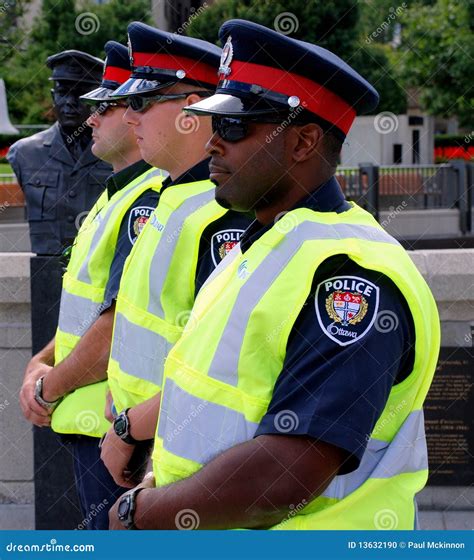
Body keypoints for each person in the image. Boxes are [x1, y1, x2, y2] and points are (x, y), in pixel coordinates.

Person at [109, 19, 440, 531]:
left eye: (236, 127)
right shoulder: (263, 242)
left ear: (303, 141)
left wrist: (144, 514)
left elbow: (288, 471)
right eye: (215, 123)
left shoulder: (349, 276)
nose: (214, 143)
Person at [98, 22, 252, 488]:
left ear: (190, 108)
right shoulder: (172, 194)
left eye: (142, 102)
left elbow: (223, 362)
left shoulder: (220, 210)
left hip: (178, 454)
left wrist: (131, 428)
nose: (129, 117)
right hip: (140, 442)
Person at [19, 41, 164, 530]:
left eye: (108, 105)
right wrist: (43, 360)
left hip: (120, 434)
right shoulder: (118, 193)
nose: (91, 116)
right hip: (95, 425)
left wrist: (47, 386)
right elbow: (88, 311)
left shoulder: (147, 202)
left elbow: (118, 320)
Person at [7, 50, 111, 256]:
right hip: (45, 274)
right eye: (63, 92)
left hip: (98, 271)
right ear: (53, 96)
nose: (70, 102)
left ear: (97, 100)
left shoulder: (117, 152)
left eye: (80, 93)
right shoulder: (24, 153)